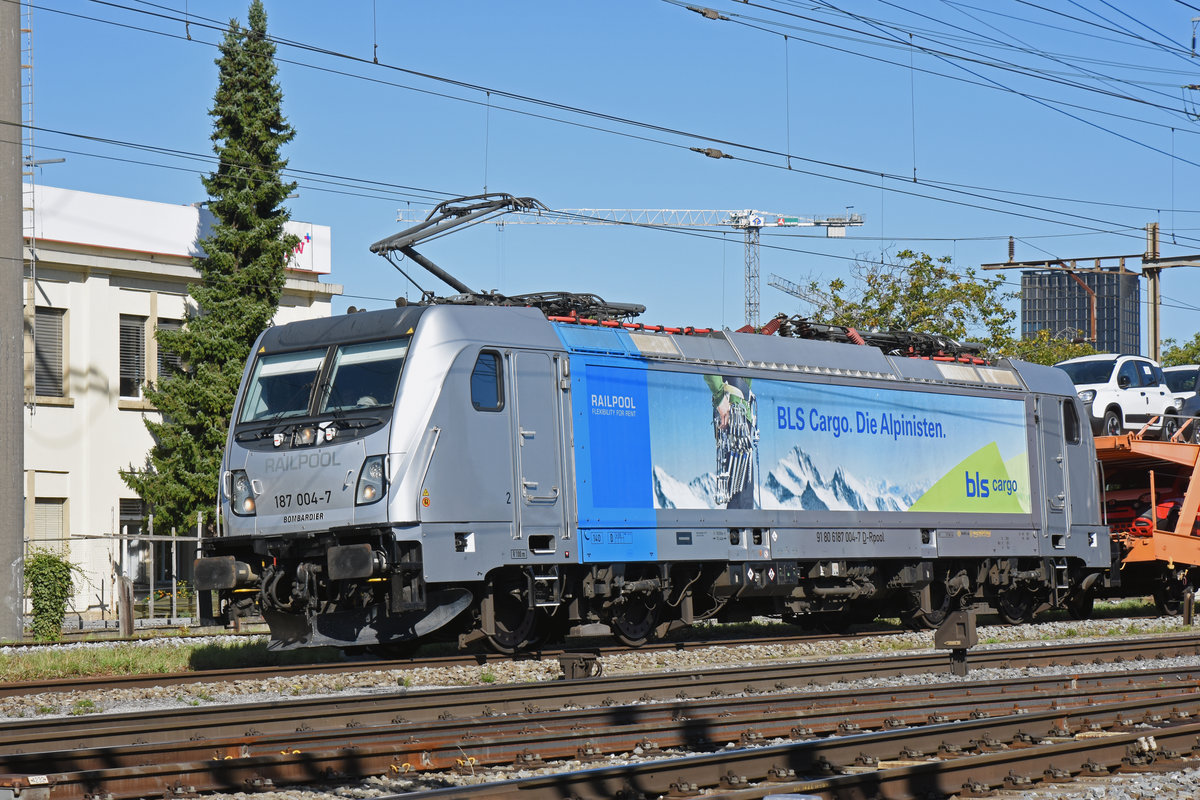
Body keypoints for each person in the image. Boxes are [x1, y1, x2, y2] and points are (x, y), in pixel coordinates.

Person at [704, 375, 758, 509]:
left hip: (741, 413)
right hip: (731, 412)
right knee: (740, 497)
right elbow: (710, 365)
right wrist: (720, 397)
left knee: (742, 493)